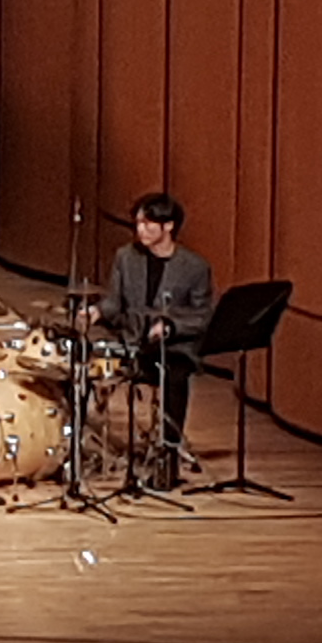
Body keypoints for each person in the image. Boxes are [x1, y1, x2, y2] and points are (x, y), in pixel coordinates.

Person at [92, 192, 216, 483]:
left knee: (174, 376)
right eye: (138, 223)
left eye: (148, 224)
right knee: (78, 358)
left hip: (172, 348)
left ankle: (168, 455)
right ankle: (83, 447)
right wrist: (96, 311)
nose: (141, 230)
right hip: (131, 341)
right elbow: (114, 303)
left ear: (168, 226)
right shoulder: (126, 257)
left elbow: (203, 316)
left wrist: (170, 326)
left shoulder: (195, 267)